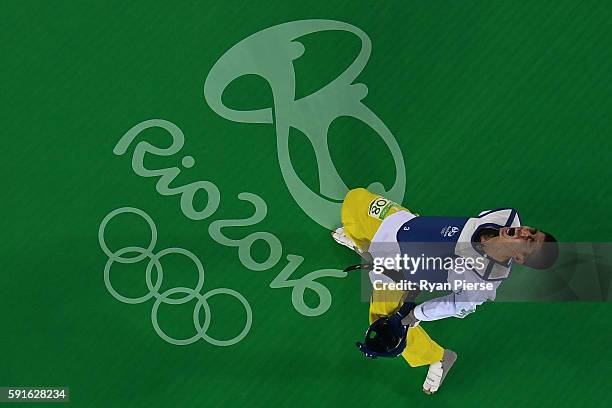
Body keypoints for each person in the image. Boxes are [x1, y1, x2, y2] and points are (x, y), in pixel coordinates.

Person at [333, 188, 559, 394]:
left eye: (529, 242)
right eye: (533, 231)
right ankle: (366, 247)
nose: (525, 233)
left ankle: (439, 357)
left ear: (519, 258)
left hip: (399, 272)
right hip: (400, 225)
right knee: (354, 201)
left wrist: (414, 315)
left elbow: (455, 304)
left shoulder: (484, 280)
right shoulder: (506, 216)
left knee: (385, 322)